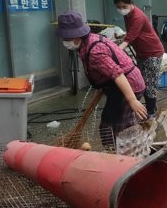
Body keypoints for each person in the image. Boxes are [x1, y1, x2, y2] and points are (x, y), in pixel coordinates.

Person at [55, 11, 147, 148]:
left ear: (76, 37)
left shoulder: (95, 51)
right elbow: (103, 71)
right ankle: (119, 152)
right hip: (117, 86)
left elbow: (118, 74)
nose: (64, 41)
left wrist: (132, 100)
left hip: (129, 85)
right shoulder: (85, 43)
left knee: (114, 126)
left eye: (66, 38)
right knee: (111, 124)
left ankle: (122, 157)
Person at [113, 0, 165, 117]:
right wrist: (114, 41)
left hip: (153, 52)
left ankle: (151, 113)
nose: (122, 9)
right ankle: (149, 108)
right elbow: (129, 34)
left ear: (131, 3)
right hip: (141, 53)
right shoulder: (127, 15)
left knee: (149, 84)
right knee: (140, 82)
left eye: (124, 6)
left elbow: (130, 37)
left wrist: (116, 51)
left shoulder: (137, 16)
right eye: (118, 7)